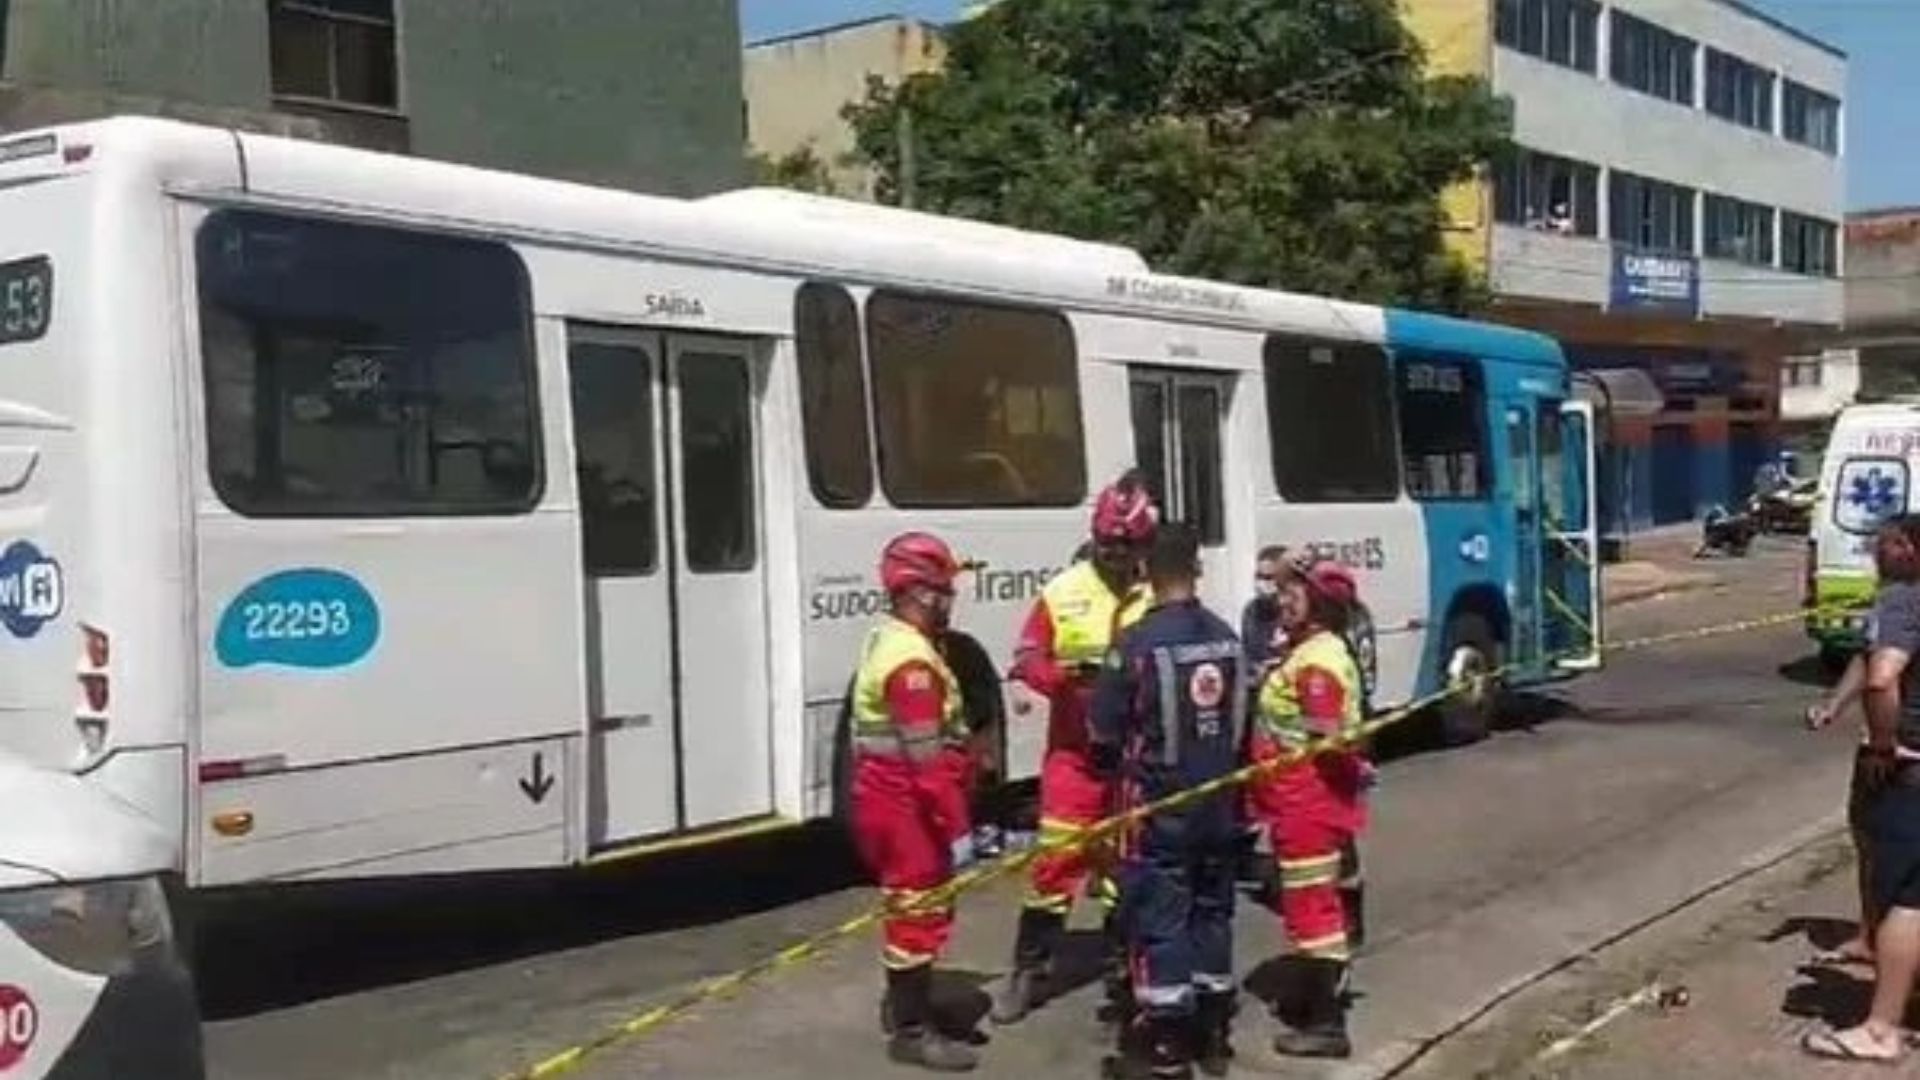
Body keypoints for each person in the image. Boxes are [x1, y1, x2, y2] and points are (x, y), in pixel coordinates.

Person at [994, 472, 1159, 1025]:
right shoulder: (1063, 591)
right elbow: (1025, 656)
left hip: (1133, 758)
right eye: (1106, 543)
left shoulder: (1156, 595)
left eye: (1124, 546)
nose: (1114, 554)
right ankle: (1028, 972)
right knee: (1054, 865)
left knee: (1124, 869)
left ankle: (1122, 971)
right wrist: (1060, 678)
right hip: (1073, 756)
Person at [1092, 524, 1249, 1080]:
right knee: (1213, 913)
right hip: (1222, 804)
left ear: (1145, 572)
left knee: (1159, 919)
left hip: (1159, 810)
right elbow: (1242, 729)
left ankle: (1166, 1047)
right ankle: (1214, 1037)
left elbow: (1104, 734)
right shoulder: (1229, 638)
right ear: (1197, 568)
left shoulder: (1134, 645)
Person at [849, 532, 982, 1072]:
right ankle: (910, 1031)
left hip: (889, 799)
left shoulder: (889, 639)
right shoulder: (912, 665)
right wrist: (958, 827)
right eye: (945, 589)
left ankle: (915, 1009)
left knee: (918, 908)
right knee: (915, 915)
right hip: (907, 807)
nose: (951, 599)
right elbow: (926, 762)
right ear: (922, 593)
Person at [1804, 513, 1920, 1064]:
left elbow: (1881, 675)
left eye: (1884, 542)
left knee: (1905, 897)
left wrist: (1881, 742)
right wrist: (1835, 706)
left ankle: (1880, 1028)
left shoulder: (1905, 600)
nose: (1873, 550)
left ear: (1908, 548)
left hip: (1908, 771)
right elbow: (1866, 661)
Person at [1246, 558, 1368, 1060]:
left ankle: (1325, 1023)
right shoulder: (1308, 651)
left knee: (1312, 912)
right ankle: (1316, 996)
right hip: (1300, 801)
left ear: (1319, 604)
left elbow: (1328, 737)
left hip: (1307, 803)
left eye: (1294, 592)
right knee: (1310, 906)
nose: (1283, 599)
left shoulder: (1317, 662)